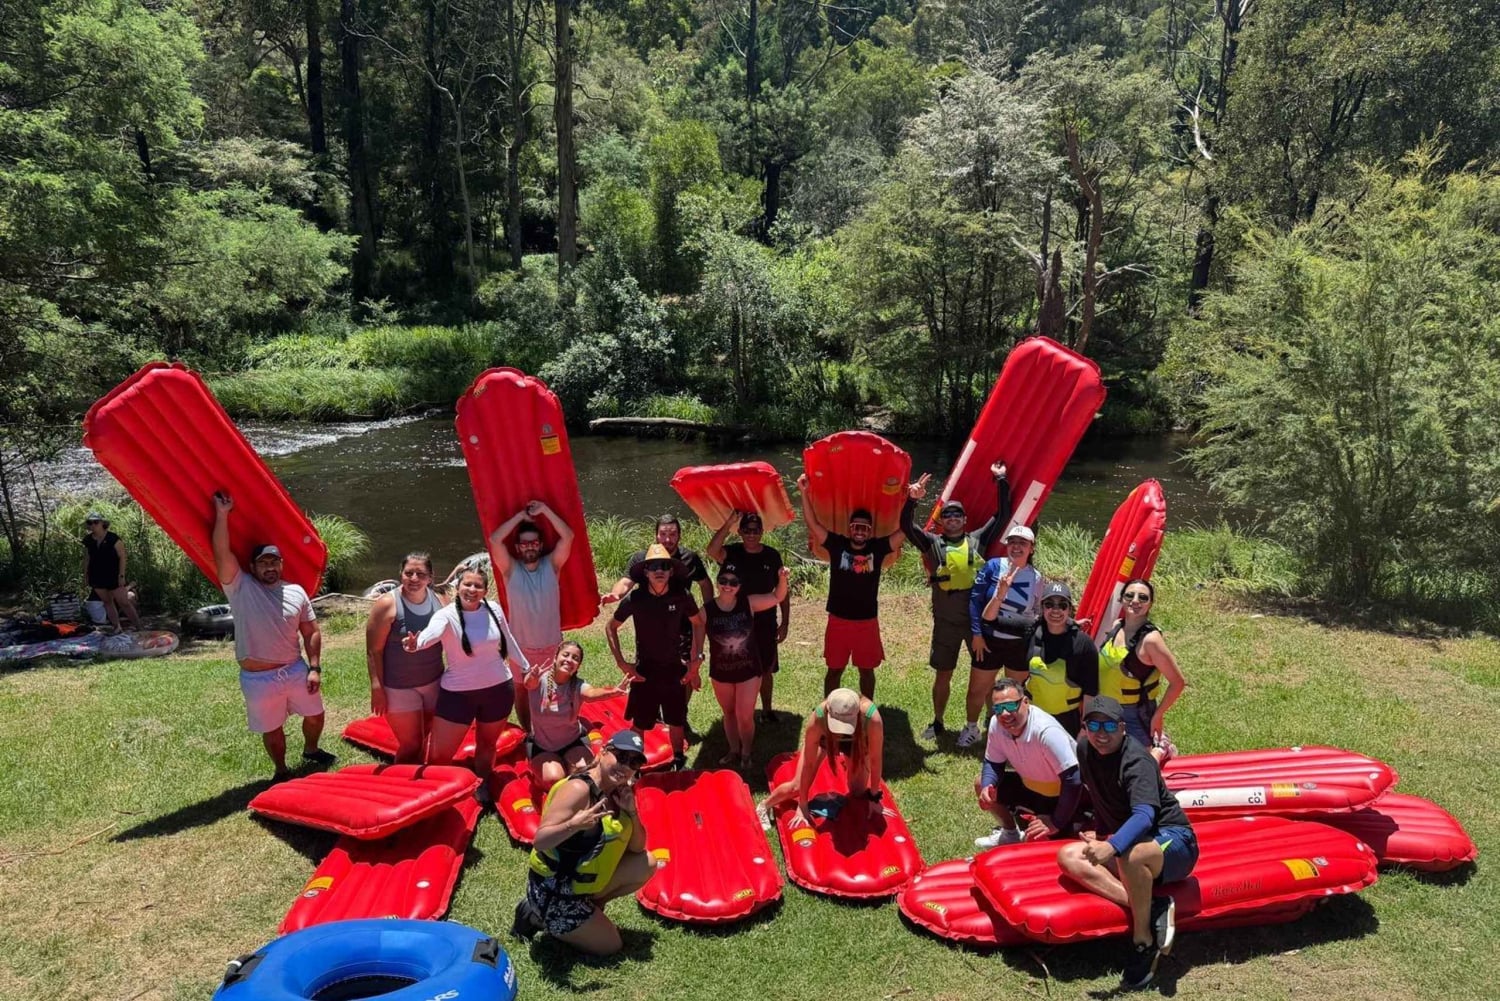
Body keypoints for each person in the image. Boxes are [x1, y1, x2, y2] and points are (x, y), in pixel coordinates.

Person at [1058, 697, 1198, 990]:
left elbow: (1145, 815)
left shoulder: (1137, 760)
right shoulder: (1085, 749)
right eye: (1093, 725)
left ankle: (1143, 941)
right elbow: (1100, 794)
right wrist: (1099, 831)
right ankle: (1155, 905)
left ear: (1123, 728)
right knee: (1068, 856)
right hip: (1133, 842)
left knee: (1129, 855)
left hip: (1174, 840)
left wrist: (1111, 846)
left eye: (1109, 725)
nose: (1101, 733)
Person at [211, 492, 332, 781]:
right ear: (252, 567)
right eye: (263, 563)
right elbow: (221, 552)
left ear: (281, 564)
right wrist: (222, 513)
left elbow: (311, 631)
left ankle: (311, 750)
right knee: (272, 727)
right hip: (258, 678)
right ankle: (280, 770)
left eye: (274, 562)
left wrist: (314, 668)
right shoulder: (239, 586)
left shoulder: (297, 591)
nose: (270, 567)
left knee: (316, 715)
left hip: (294, 669)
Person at [514, 730, 654, 955]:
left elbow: (638, 848)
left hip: (583, 885)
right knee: (611, 946)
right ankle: (536, 914)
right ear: (603, 752)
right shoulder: (578, 789)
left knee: (646, 863)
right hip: (556, 891)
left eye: (634, 762)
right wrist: (574, 825)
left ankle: (590, 908)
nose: (626, 766)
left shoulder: (619, 792)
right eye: (621, 756)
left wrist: (632, 813)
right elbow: (540, 841)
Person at [900, 462, 1010, 742]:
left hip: (976, 623)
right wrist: (911, 500)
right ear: (942, 521)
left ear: (964, 520)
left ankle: (990, 721)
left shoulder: (977, 540)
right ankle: (938, 722)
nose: (952, 518)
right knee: (943, 675)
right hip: (946, 622)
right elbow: (906, 527)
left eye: (957, 515)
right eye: (947, 515)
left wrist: (1001, 480)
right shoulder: (932, 543)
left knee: (984, 677)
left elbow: (1002, 515)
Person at [402, 567, 529, 787]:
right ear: (457, 587)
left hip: (498, 689)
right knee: (439, 757)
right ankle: (439, 793)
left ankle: (483, 787)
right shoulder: (446, 615)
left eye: (477, 585)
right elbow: (431, 633)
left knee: (487, 746)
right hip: (458, 695)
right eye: (467, 584)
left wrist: (526, 668)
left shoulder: (494, 609)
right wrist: (416, 644)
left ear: (485, 591)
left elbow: (508, 640)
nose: (471, 589)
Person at [797, 473, 912, 699]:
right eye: (856, 527)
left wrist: (912, 500)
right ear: (850, 528)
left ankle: (867, 710)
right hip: (838, 619)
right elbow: (813, 523)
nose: (860, 532)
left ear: (870, 531)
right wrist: (804, 492)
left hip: (866, 621)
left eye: (865, 528)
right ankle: (829, 709)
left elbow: (905, 530)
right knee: (834, 670)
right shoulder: (836, 544)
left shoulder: (877, 549)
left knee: (866, 671)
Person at [603, 513, 713, 732]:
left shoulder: (689, 558)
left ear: (679, 536)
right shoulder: (642, 559)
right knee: (650, 669)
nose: (668, 539)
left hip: (683, 622)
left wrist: (710, 609)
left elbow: (705, 583)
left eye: (672, 534)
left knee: (686, 671)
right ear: (656, 536)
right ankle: (653, 715)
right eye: (663, 534)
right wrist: (615, 595)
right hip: (651, 624)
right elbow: (625, 582)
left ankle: (679, 714)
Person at [604, 543, 707, 770]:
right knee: (640, 722)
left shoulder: (682, 596)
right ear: (646, 573)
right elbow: (611, 627)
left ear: (671, 571)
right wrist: (622, 663)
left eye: (663, 566)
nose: (658, 570)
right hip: (645, 671)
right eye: (652, 567)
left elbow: (698, 623)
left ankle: (679, 760)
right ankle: (632, 763)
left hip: (674, 667)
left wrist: (697, 657)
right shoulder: (636, 599)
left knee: (677, 720)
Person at [490, 500, 576, 730]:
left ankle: (556, 729)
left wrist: (546, 510)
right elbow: (495, 540)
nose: (529, 547)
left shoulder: (552, 565)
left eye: (534, 543)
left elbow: (568, 536)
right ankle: (529, 733)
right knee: (522, 690)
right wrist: (520, 516)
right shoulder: (509, 569)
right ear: (517, 547)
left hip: (551, 645)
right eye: (524, 543)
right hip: (521, 647)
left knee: (556, 688)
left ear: (540, 545)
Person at [959, 524, 1044, 748]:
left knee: (1015, 692)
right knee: (977, 689)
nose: (1016, 547)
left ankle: (1013, 731)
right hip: (989, 641)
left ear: (1031, 549)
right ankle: (971, 728)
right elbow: (975, 602)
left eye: (1022, 543)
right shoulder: (993, 566)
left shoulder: (1037, 578)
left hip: (1018, 644)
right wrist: (977, 634)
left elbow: (1037, 613)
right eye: (1013, 542)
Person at [973, 677, 1083, 848]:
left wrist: (1056, 822)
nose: (1004, 714)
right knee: (981, 782)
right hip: (1031, 787)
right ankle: (1010, 833)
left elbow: (1073, 779)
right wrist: (989, 786)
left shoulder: (1046, 732)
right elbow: (993, 763)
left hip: (1066, 795)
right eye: (998, 708)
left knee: (1044, 845)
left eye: (1010, 706)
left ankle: (1062, 823)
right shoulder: (997, 724)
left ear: (1025, 702)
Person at [758, 688, 885, 830]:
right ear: (828, 712)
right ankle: (764, 805)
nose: (841, 731)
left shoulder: (872, 718)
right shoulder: (818, 718)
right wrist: (802, 805)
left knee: (858, 791)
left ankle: (846, 760)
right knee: (797, 787)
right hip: (825, 739)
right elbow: (809, 764)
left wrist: (874, 797)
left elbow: (875, 760)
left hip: (856, 742)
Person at [364, 552, 449, 763]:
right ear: (400, 574)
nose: (413, 579)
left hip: (434, 682)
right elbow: (374, 650)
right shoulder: (387, 604)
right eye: (408, 573)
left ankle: (421, 783)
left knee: (428, 734)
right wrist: (377, 688)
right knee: (411, 745)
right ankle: (397, 786)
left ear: (430, 577)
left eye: (420, 574)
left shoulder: (441, 600)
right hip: (399, 687)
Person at [705, 510, 790, 721]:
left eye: (755, 530)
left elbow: (781, 591)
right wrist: (728, 523)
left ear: (762, 532)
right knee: (737, 667)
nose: (751, 534)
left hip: (765, 620)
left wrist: (785, 621)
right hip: (735, 623)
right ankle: (737, 712)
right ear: (740, 532)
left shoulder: (772, 555)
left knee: (766, 666)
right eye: (747, 530)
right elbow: (711, 550)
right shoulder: (732, 552)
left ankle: (767, 711)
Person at [705, 563, 791, 769]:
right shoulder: (707, 609)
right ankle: (733, 750)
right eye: (723, 581)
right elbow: (694, 633)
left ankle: (746, 752)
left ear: (740, 585)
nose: (728, 585)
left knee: (744, 715)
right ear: (717, 583)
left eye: (733, 582)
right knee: (729, 713)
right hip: (721, 672)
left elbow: (777, 597)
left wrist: (782, 578)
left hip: (749, 670)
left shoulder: (748, 603)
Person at [992, 580, 1098, 737]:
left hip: (1068, 721)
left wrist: (1085, 727)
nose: (1056, 610)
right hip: (1034, 717)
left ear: (1070, 610)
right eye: (1049, 604)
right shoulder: (1031, 630)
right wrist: (999, 596)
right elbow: (989, 619)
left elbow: (1091, 691)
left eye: (1062, 605)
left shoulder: (1083, 644)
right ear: (1042, 608)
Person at [1097, 578, 1186, 763]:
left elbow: (1178, 682)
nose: (1135, 601)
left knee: (1138, 769)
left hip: (1134, 714)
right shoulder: (1116, 627)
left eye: (1142, 597)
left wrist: (1158, 715)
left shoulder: (1151, 641)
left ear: (1150, 604)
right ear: (1121, 599)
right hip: (1106, 709)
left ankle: (1160, 747)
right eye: (1129, 595)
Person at [521, 641, 621, 787]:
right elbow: (528, 683)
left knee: (586, 774)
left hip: (573, 742)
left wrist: (612, 692)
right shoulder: (539, 680)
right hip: (543, 746)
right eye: (565, 655)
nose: (569, 660)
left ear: (578, 666)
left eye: (575, 658)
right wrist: (531, 676)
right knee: (554, 779)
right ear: (556, 657)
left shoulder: (578, 685)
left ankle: (569, 768)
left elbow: (592, 693)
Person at [81, 511, 142, 632]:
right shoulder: (88, 540)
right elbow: (87, 558)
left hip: (113, 575)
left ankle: (139, 627)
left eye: (95, 522)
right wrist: (85, 575)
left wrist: (121, 575)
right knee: (107, 602)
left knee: (124, 602)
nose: (93, 525)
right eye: (90, 522)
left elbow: (123, 556)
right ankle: (117, 627)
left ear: (102, 523)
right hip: (96, 575)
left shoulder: (113, 538)